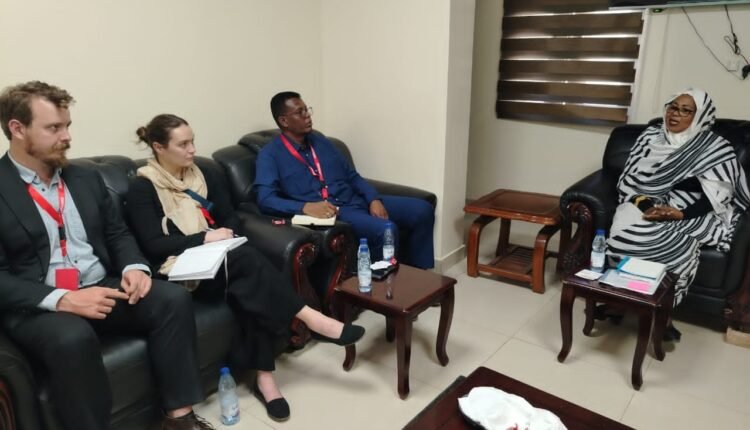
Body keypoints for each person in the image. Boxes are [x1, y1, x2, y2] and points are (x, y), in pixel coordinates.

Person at [0, 81, 214, 429]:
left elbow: (117, 233)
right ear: (17, 128)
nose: (67, 136)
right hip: (40, 302)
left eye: (68, 125)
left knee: (171, 299)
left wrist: (134, 267)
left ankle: (179, 418)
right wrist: (63, 299)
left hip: (101, 284)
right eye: (54, 128)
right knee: (73, 337)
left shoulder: (84, 176)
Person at [125, 113, 366, 422]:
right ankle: (312, 320)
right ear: (159, 147)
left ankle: (265, 379)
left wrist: (227, 238)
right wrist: (205, 238)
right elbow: (153, 245)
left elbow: (231, 216)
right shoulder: (143, 187)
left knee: (250, 282)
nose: (192, 149)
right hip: (179, 268)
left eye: (192, 141)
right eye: (182, 144)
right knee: (249, 265)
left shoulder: (202, 174)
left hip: (218, 258)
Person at [606, 88, 750, 339]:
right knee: (624, 233)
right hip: (645, 200)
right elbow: (630, 181)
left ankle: (664, 313)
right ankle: (619, 300)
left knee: (676, 245)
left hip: (692, 206)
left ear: (699, 116)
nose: (675, 114)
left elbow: (719, 195)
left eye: (686, 111)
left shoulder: (715, 147)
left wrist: (681, 214)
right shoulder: (650, 137)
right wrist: (647, 207)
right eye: (673, 107)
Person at [254, 91, 435, 268]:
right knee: (386, 229)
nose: (307, 115)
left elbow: (351, 175)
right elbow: (265, 199)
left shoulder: (321, 141)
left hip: (356, 199)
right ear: (284, 121)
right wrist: (304, 207)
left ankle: (421, 275)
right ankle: (383, 285)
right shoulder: (270, 155)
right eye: (299, 112)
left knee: (422, 210)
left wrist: (373, 198)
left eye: (307, 109)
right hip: (336, 212)